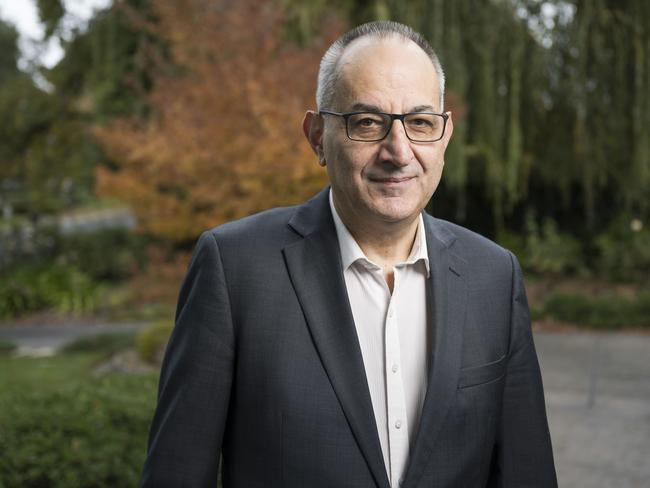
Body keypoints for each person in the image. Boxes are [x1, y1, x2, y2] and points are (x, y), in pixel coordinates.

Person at [140, 20, 557, 488]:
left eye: (420, 123)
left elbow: (527, 473)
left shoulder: (493, 276)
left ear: (444, 136)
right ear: (317, 136)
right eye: (367, 123)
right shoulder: (234, 269)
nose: (398, 152)